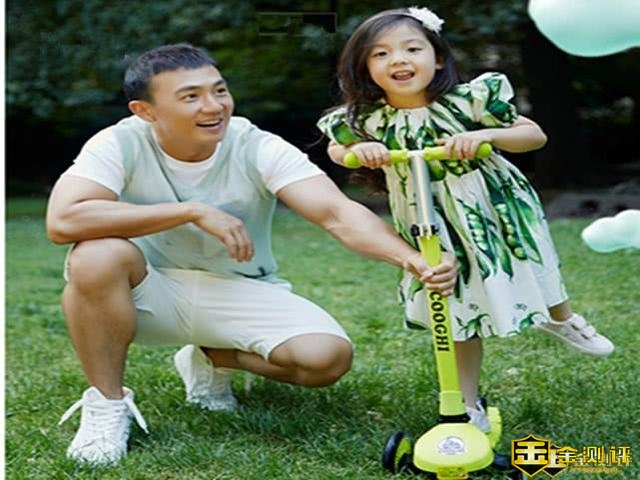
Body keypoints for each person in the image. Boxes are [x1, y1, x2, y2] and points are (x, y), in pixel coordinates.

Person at [45, 43, 458, 466]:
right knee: (96, 255)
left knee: (325, 359)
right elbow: (63, 220)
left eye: (219, 90)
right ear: (145, 111)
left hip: (237, 287)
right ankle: (107, 405)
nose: (214, 106)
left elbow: (337, 214)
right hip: (149, 292)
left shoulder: (256, 144)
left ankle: (213, 357)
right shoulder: (119, 142)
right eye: (191, 96)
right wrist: (191, 211)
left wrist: (411, 258)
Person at [316, 6, 614, 432]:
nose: (398, 60)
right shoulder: (369, 119)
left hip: (494, 207)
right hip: (429, 219)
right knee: (453, 306)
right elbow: (336, 147)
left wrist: (485, 135)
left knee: (531, 261)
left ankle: (560, 316)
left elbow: (533, 135)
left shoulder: (466, 100)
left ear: (437, 58)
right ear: (365, 68)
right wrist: (356, 151)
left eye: (412, 49)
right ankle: (466, 405)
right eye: (380, 54)